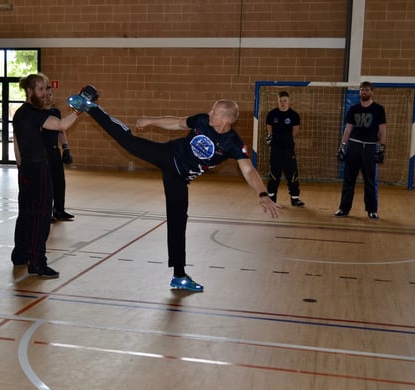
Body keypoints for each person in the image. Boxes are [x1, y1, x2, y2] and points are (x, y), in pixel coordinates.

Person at [67, 86, 281, 292]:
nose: (209, 113)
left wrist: (262, 194)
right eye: (211, 110)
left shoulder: (232, 143)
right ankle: (90, 107)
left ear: (226, 119)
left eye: (214, 112)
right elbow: (178, 123)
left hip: (179, 178)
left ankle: (179, 276)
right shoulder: (202, 120)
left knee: (178, 223)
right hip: (168, 154)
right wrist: (150, 120)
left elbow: (248, 170)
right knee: (128, 142)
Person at [10, 74, 82, 278]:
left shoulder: (22, 112)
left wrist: (20, 166)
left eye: (46, 88)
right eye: (41, 89)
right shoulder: (31, 112)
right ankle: (37, 262)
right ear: (30, 91)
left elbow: (18, 141)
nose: (44, 93)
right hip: (37, 169)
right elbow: (61, 125)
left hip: (27, 168)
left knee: (26, 213)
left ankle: (20, 254)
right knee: (41, 216)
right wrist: (79, 109)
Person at [335, 81, 387, 220]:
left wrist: (382, 149)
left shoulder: (378, 109)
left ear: (372, 92)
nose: (364, 92)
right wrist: (342, 147)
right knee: (349, 179)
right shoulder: (353, 109)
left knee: (370, 181)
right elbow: (348, 129)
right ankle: (343, 209)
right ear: (359, 92)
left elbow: (383, 130)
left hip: (370, 147)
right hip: (354, 146)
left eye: (367, 90)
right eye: (362, 90)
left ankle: (372, 210)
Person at [265, 91, 304, 207]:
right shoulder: (272, 114)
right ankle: (271, 198)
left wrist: (286, 139)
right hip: (275, 149)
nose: (282, 103)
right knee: (274, 173)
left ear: (289, 101)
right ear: (278, 101)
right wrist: (270, 136)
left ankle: (295, 198)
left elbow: (295, 131)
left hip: (288, 149)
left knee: (292, 173)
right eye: (280, 100)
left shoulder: (294, 115)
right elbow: (269, 127)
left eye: (285, 100)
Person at [42, 85, 75, 221]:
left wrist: (66, 147)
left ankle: (59, 210)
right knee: (47, 183)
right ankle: (46, 212)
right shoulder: (38, 114)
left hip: (55, 151)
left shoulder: (55, 112)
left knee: (59, 181)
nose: (48, 98)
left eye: (50, 95)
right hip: (43, 153)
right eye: (45, 95)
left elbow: (61, 130)